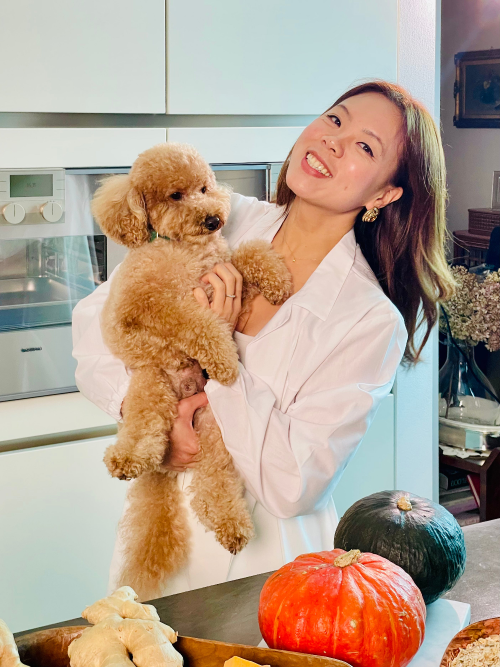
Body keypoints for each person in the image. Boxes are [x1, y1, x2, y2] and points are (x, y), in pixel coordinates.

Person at [72, 80, 453, 596]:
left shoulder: (367, 319)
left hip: (265, 564)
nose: (333, 142)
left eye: (365, 146)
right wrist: (155, 422)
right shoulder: (221, 218)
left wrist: (219, 351)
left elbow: (293, 483)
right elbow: (96, 326)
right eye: (335, 120)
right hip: (158, 536)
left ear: (384, 194)